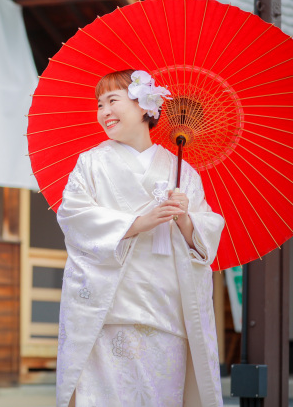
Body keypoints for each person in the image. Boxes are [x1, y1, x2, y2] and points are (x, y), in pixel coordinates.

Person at [55, 70, 225, 407]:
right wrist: (137, 222)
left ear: (146, 106)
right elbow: (73, 216)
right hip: (108, 312)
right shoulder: (90, 163)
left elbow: (205, 237)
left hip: (165, 312)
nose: (103, 111)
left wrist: (186, 220)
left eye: (113, 101)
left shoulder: (183, 173)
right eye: (99, 104)